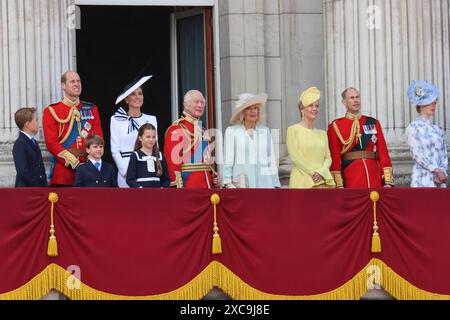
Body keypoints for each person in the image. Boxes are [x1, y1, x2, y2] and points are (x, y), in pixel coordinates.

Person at [42, 71, 103, 186]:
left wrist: (89, 164)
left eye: (78, 81)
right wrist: (74, 162)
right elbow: (51, 143)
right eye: (72, 81)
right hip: (64, 174)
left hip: (89, 173)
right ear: (63, 86)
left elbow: (98, 139)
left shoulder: (92, 109)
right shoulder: (51, 111)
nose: (77, 84)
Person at [327, 87, 394, 188]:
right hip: (351, 177)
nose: (355, 100)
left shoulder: (373, 122)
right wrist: (338, 184)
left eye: (357, 97)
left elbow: (382, 151)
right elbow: (334, 157)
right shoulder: (336, 126)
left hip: (374, 176)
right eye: (351, 98)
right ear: (344, 102)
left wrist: (387, 181)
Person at [222, 93, 281, 188]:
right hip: (242, 185)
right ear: (243, 113)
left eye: (255, 108)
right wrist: (227, 182)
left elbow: (271, 161)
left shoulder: (265, 131)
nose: (253, 111)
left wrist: (275, 184)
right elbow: (228, 160)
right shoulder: (232, 131)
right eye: (249, 108)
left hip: (265, 184)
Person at [164, 90, 219, 188]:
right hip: (189, 185)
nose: (200, 105)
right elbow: (172, 163)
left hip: (207, 185)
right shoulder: (177, 128)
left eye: (202, 102)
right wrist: (176, 185)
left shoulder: (203, 129)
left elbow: (204, 161)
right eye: (196, 102)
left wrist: (212, 174)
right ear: (186, 105)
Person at [111, 75, 158, 188]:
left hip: (148, 168)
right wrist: (126, 172)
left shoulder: (151, 119)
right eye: (133, 94)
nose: (137, 97)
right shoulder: (116, 119)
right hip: (126, 170)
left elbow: (156, 146)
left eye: (140, 93)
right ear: (126, 99)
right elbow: (115, 150)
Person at [287, 87, 335, 189]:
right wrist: (312, 173)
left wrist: (320, 172)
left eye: (316, 106)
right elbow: (295, 157)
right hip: (301, 181)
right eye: (310, 105)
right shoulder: (292, 130)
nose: (314, 109)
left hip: (322, 181)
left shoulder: (322, 133)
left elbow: (328, 158)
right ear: (302, 109)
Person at [406, 80, 448, 188]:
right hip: (422, 179)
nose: (433, 105)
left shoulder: (437, 129)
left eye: (435, 102)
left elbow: (444, 154)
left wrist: (442, 172)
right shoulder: (413, 127)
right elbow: (416, 154)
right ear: (421, 104)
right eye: (430, 102)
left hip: (439, 180)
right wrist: (435, 169)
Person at [12, 107, 48, 187]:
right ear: (27, 124)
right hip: (27, 190)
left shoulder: (34, 142)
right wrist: (37, 183)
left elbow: (40, 166)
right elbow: (23, 171)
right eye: (36, 120)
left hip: (38, 189)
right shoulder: (20, 143)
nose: (38, 123)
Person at [126, 123, 170, 188]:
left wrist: (162, 188)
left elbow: (166, 179)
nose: (151, 140)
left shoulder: (160, 156)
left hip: (158, 195)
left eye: (153, 137)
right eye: (148, 137)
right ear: (140, 138)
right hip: (141, 195)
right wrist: (140, 189)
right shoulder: (135, 155)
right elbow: (130, 179)